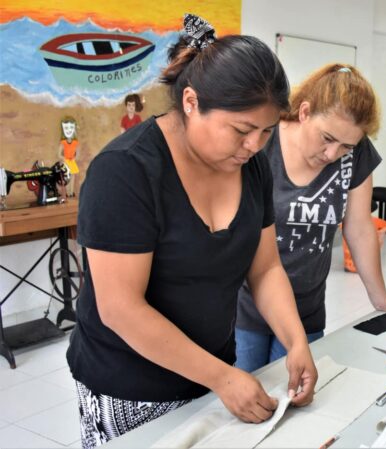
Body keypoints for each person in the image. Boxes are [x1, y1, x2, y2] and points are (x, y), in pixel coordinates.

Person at [66, 15, 317, 448]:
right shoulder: (125, 172)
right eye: (241, 130)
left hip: (213, 377)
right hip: (130, 386)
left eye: (266, 132)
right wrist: (221, 378)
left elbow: (265, 269)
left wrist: (295, 342)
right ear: (190, 102)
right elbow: (120, 308)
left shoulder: (251, 166)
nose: (255, 146)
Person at [234, 64, 386, 373]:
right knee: (246, 398)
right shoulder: (264, 143)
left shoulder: (356, 155)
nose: (333, 154)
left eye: (346, 145)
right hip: (245, 306)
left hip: (307, 307)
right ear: (304, 112)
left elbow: (358, 227)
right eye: (327, 138)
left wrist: (381, 300)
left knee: (295, 399)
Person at [57, 116, 79, 197]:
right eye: (66, 128)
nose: (69, 130)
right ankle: (65, 192)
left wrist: (74, 158)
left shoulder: (75, 142)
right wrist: (64, 159)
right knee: (66, 177)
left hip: (72, 161)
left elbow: (77, 152)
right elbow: (59, 154)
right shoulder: (63, 143)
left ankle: (71, 192)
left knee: (73, 176)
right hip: (66, 161)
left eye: (71, 127)